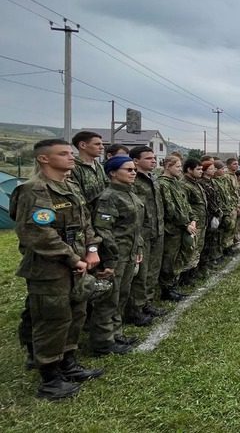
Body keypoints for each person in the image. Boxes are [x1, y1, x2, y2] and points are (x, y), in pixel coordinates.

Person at [10, 139, 104, 400]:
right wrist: (73, 258)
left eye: (71, 153)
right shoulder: (34, 190)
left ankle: (68, 363)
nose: (71, 157)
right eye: (63, 154)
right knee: (53, 319)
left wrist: (92, 249)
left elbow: (85, 222)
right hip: (49, 268)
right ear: (44, 159)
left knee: (76, 312)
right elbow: (38, 233)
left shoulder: (70, 185)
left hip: (78, 263)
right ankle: (50, 378)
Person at [89, 156, 143, 356]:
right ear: (112, 173)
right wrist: (110, 259)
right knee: (108, 299)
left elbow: (135, 228)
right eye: (127, 169)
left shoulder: (129, 193)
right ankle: (103, 342)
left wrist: (138, 249)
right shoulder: (109, 197)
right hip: (115, 255)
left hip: (129, 252)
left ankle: (116, 333)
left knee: (121, 295)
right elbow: (104, 230)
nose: (133, 172)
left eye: (133, 169)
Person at [128, 146, 164, 324]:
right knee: (140, 273)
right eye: (149, 158)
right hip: (142, 232)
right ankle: (136, 308)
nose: (154, 161)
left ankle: (147, 303)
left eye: (154, 158)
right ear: (136, 161)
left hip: (156, 229)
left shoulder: (153, 178)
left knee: (152, 270)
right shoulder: (133, 180)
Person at [157, 156, 196, 302]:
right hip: (172, 229)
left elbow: (185, 204)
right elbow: (170, 209)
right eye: (178, 167)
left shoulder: (176, 183)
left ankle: (172, 285)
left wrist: (192, 220)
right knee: (169, 260)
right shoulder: (163, 184)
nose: (180, 169)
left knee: (180, 257)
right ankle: (166, 290)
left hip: (183, 227)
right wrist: (184, 224)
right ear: (168, 166)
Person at [179, 158, 207, 282]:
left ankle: (193, 272)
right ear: (189, 169)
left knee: (197, 249)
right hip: (193, 223)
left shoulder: (196, 183)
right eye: (198, 169)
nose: (201, 171)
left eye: (202, 169)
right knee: (190, 250)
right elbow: (184, 205)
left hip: (200, 221)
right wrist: (190, 221)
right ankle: (185, 276)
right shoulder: (184, 185)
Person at [70, 130, 108, 207]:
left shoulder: (99, 166)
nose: (102, 147)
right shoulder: (72, 167)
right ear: (83, 145)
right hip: (84, 214)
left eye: (102, 144)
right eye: (97, 144)